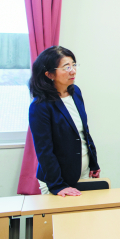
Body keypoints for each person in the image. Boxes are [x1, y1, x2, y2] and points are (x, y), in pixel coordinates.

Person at [29, 46, 101, 196]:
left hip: (81, 172)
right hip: (56, 181)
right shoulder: (40, 106)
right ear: (49, 74)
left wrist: (93, 162)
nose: (73, 71)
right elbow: (44, 150)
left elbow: (83, 132)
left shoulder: (75, 92)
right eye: (66, 67)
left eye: (74, 65)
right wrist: (58, 185)